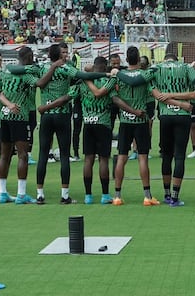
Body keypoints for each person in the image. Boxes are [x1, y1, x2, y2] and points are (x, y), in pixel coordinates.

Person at [116, 50, 195, 206]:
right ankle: (171, 197)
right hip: (175, 117)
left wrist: (115, 72)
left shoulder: (154, 70)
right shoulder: (184, 68)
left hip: (157, 117)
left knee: (164, 156)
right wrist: (181, 103)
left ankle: (119, 195)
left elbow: (156, 94)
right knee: (178, 156)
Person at [32, 43, 101, 205]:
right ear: (59, 54)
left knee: (43, 154)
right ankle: (64, 196)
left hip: (46, 116)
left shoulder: (42, 67)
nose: (66, 55)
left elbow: (39, 83)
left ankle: (40, 195)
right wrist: (104, 73)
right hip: (62, 115)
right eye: (64, 53)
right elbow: (82, 75)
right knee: (64, 155)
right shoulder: (66, 68)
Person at [112, 46, 160, 206]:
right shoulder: (145, 75)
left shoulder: (119, 75)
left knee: (121, 158)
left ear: (126, 59)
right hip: (140, 121)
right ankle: (147, 196)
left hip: (125, 121)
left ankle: (117, 196)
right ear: (139, 59)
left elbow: (115, 97)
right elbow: (152, 93)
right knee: (143, 158)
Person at [0, 46, 40, 204]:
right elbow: (40, 83)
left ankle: (3, 193)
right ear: (29, 57)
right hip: (20, 116)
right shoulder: (26, 74)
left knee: (4, 156)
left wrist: (8, 104)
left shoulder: (6, 73)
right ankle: (21, 195)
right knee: (23, 155)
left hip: (5, 116)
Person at [78, 56, 117, 205]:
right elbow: (114, 98)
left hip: (88, 123)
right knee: (103, 159)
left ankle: (88, 196)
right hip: (103, 124)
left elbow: (70, 95)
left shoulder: (83, 82)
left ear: (94, 66)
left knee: (88, 159)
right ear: (105, 67)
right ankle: (105, 195)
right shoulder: (108, 81)